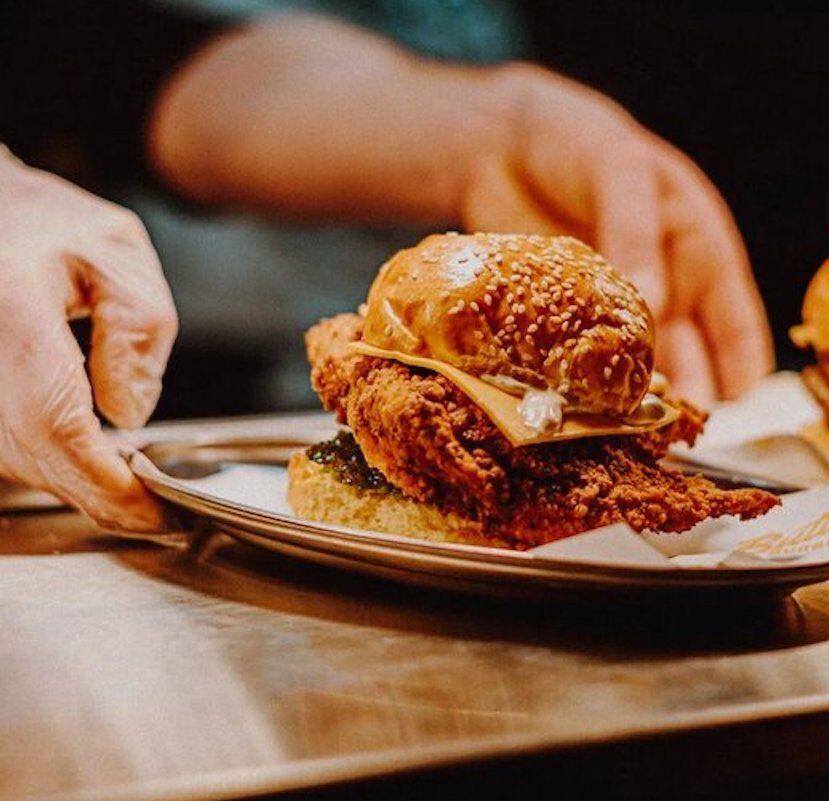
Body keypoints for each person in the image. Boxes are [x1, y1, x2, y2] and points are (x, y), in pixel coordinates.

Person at [0, 6, 773, 530]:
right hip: (160, 358)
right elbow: (91, 49)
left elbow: (145, 60)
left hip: (439, 313)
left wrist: (485, 133)